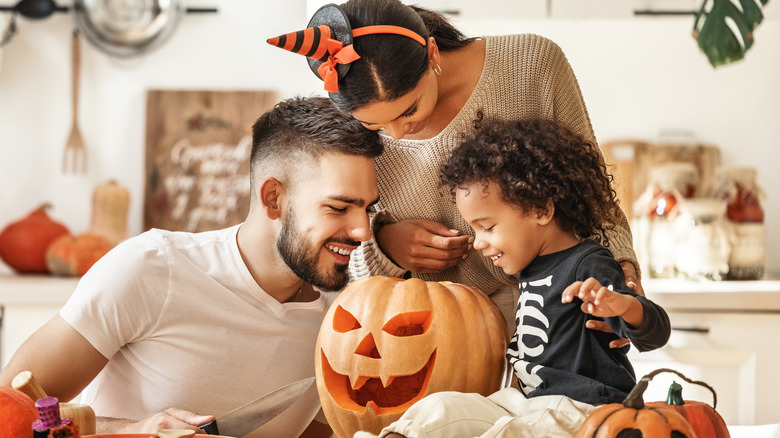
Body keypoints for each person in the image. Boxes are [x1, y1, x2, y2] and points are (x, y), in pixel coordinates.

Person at [0, 96, 383, 438]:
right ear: (273, 199)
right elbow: (8, 408)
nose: (362, 230)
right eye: (338, 208)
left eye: (368, 208)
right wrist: (135, 431)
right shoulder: (152, 268)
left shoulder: (344, 322)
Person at [267, 0, 645, 339]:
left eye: (409, 109)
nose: (397, 133)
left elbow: (589, 188)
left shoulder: (531, 63)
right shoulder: (343, 121)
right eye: (375, 126)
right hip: (424, 329)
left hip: (554, 310)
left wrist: (621, 270)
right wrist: (385, 246)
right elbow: (341, 256)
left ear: (431, 53)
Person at [373, 118, 672, 438]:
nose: (477, 242)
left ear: (542, 210)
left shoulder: (589, 263)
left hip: (585, 409)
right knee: (445, 407)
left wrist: (623, 306)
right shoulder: (529, 267)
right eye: (474, 229)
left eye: (487, 227)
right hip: (526, 404)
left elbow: (655, 333)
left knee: (512, 431)